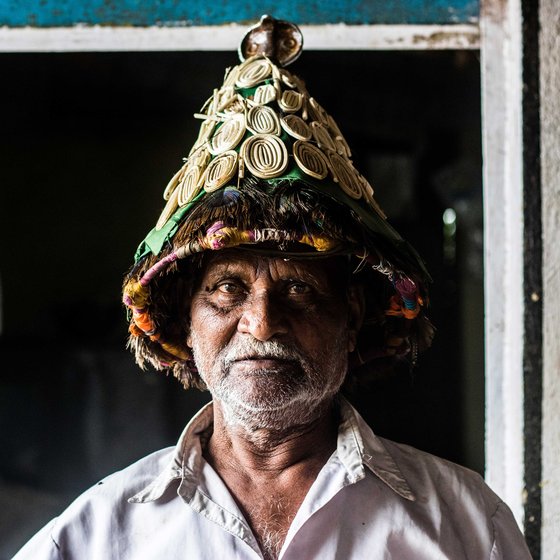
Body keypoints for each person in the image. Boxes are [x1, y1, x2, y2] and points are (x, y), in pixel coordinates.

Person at [14, 16, 532, 560]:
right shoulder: (96, 536)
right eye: (226, 289)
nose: (261, 322)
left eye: (301, 290)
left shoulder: (468, 524)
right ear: (187, 320)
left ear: (352, 315)